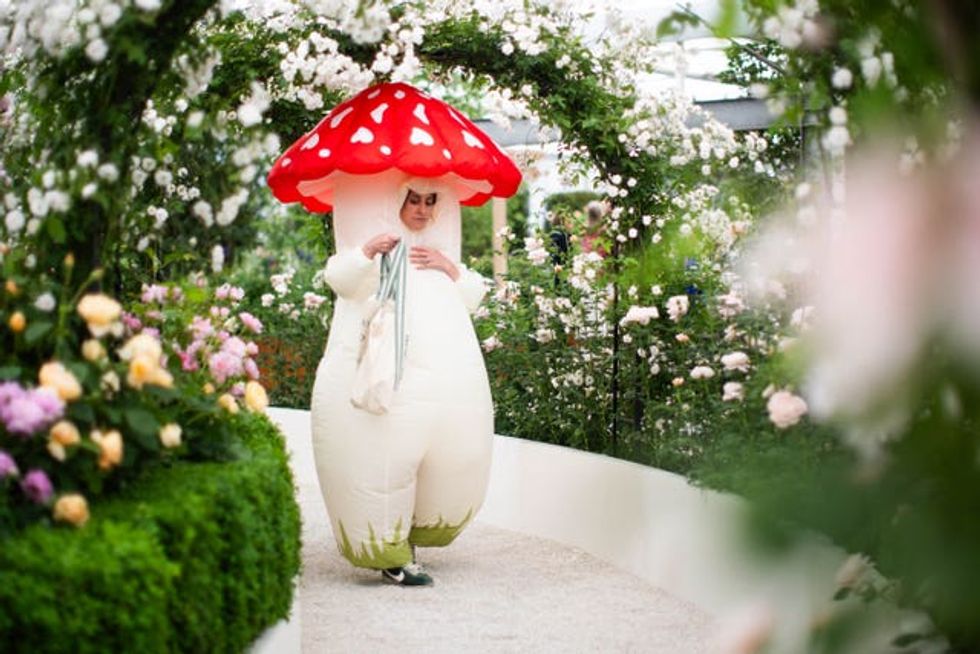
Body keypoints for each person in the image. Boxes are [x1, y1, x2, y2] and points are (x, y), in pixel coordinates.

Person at [310, 179, 492, 587]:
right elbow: (339, 278)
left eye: (430, 202)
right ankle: (388, 552)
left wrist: (449, 267)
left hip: (436, 381)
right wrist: (366, 253)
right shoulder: (379, 252)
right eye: (414, 200)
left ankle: (414, 532)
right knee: (381, 450)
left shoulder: (434, 256)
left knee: (437, 450)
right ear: (398, 202)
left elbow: (471, 295)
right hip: (384, 378)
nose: (423, 210)